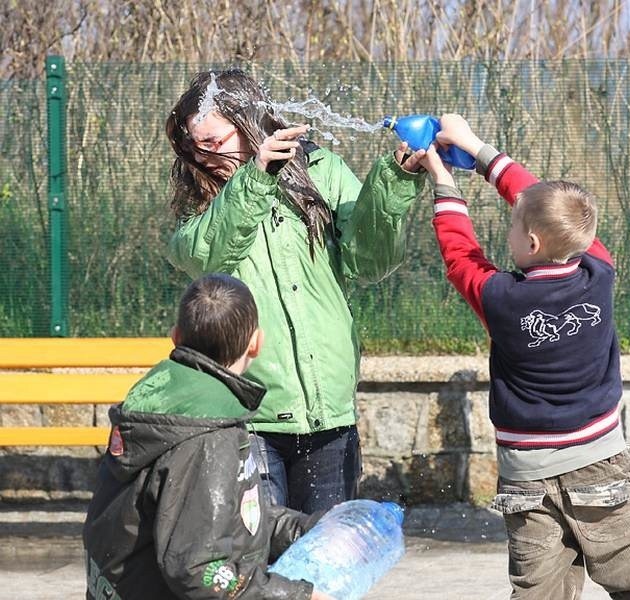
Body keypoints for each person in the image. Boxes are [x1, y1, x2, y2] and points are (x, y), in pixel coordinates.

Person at [420, 114, 630, 599]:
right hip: (602, 461)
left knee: (538, 593)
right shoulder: (600, 268)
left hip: (526, 472)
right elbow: (540, 200)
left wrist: (444, 175)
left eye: (515, 224)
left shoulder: (501, 298)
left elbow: (461, 255)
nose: (512, 226)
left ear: (532, 242)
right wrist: (476, 146)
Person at [165, 69, 426, 514]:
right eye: (194, 145)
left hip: (327, 410)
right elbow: (203, 256)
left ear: (247, 122)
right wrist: (256, 175)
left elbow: (370, 262)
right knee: (257, 561)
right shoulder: (204, 195)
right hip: (245, 414)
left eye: (212, 142)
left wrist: (396, 181)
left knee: (321, 562)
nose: (202, 156)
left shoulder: (322, 170)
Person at [83, 273, 332, 600]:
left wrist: (310, 530)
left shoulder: (160, 407)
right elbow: (200, 570)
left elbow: (232, 516)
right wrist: (298, 596)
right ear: (256, 343)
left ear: (175, 337)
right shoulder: (208, 436)